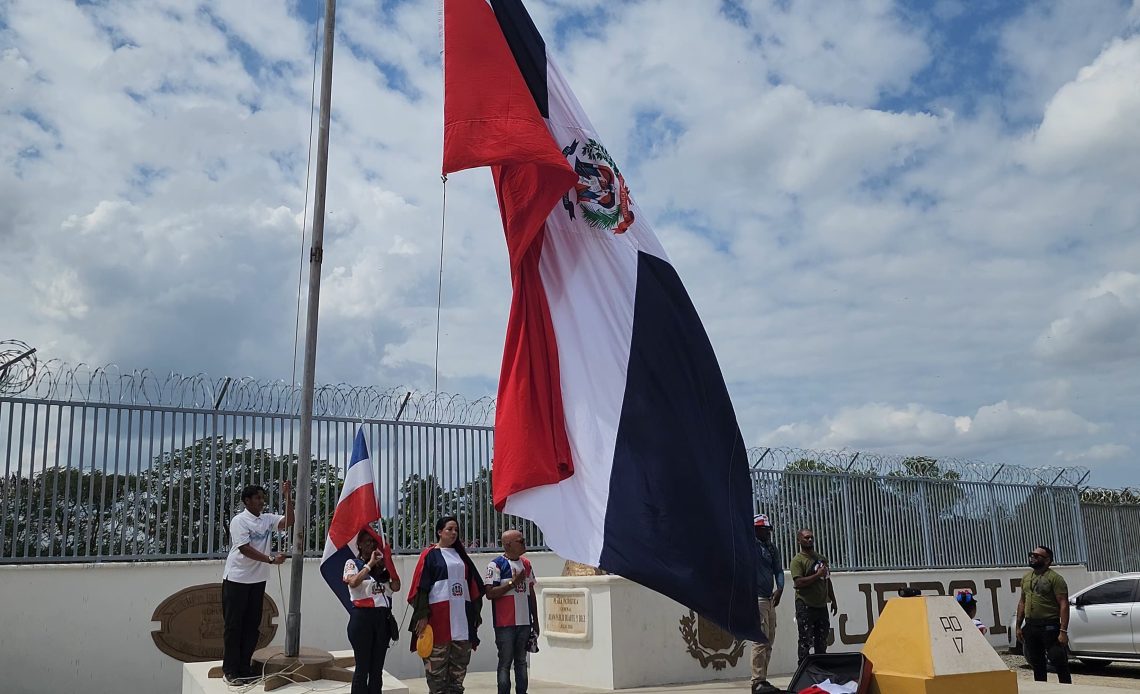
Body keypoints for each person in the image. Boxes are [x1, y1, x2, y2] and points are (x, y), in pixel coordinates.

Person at [222, 481, 294, 684]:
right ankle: (230, 670)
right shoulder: (240, 521)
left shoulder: (266, 519)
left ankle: (245, 666)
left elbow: (288, 521)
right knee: (234, 626)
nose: (262, 502)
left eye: (263, 498)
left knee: (252, 626)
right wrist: (270, 559)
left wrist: (287, 496)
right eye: (257, 498)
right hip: (237, 579)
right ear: (247, 501)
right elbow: (244, 548)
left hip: (257, 580)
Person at [408, 516, 486, 694]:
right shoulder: (429, 555)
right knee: (436, 678)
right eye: (449, 529)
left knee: (457, 679)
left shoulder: (461, 556)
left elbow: (474, 587)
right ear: (439, 532)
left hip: (462, 624)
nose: (453, 533)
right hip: (437, 622)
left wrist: (475, 615)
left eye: (456, 530)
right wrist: (422, 616)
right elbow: (421, 588)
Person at [343, 529, 401, 694]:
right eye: (367, 541)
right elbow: (353, 582)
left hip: (382, 619)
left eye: (373, 542)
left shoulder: (382, 568)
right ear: (359, 545)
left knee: (377, 669)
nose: (370, 545)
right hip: (362, 618)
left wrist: (388, 563)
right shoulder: (353, 563)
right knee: (363, 667)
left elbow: (396, 586)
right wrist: (369, 564)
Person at [485, 529, 539, 694]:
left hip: (524, 622)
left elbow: (531, 593)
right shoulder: (495, 565)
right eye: (520, 541)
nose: (524, 543)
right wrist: (512, 583)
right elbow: (489, 593)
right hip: (504, 624)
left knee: (521, 662)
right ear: (508, 544)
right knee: (505, 663)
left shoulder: (527, 564)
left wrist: (535, 620)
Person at [1015, 545, 1071, 684]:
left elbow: (1064, 604)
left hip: (1050, 626)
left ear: (1047, 560)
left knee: (1058, 660)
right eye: (1031, 555)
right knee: (1037, 663)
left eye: (1037, 556)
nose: (1032, 558)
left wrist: (1063, 631)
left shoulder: (1055, 579)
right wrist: (1018, 626)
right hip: (1031, 626)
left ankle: (1067, 689)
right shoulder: (1026, 578)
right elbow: (1022, 602)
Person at [789, 528, 837, 665]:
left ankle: (820, 668)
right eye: (806, 538)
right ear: (799, 540)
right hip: (805, 605)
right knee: (805, 641)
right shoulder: (797, 561)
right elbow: (798, 582)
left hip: (821, 605)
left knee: (821, 641)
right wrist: (817, 575)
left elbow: (827, 580)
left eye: (811, 537)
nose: (809, 540)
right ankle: (803, 670)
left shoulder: (821, 559)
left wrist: (833, 600)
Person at [750, 514, 784, 694]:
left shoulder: (771, 548)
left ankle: (763, 678)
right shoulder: (751, 547)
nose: (768, 533)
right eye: (764, 529)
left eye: (769, 529)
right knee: (760, 639)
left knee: (769, 639)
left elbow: (778, 570)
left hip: (770, 598)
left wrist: (780, 588)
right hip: (757, 598)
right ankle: (756, 681)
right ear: (756, 529)